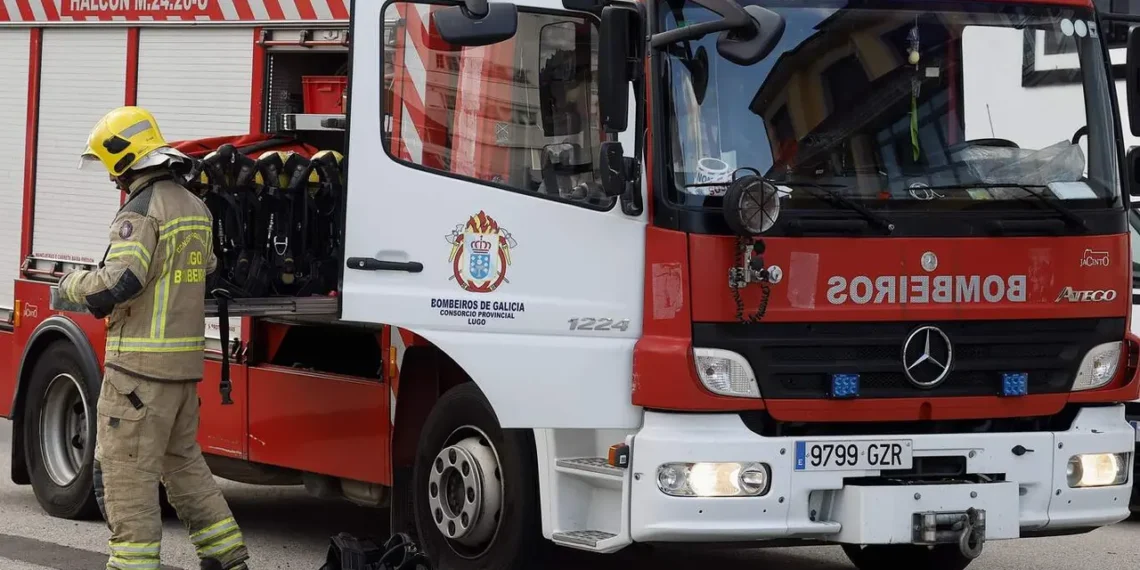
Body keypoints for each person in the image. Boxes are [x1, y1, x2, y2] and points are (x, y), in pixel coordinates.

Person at [57, 106, 251, 570]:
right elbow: (205, 271)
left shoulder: (141, 210)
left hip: (137, 378)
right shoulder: (194, 206)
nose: (110, 177)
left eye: (109, 165)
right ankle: (228, 559)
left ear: (123, 160)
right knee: (184, 468)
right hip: (182, 374)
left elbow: (119, 283)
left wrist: (69, 286)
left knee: (126, 480)